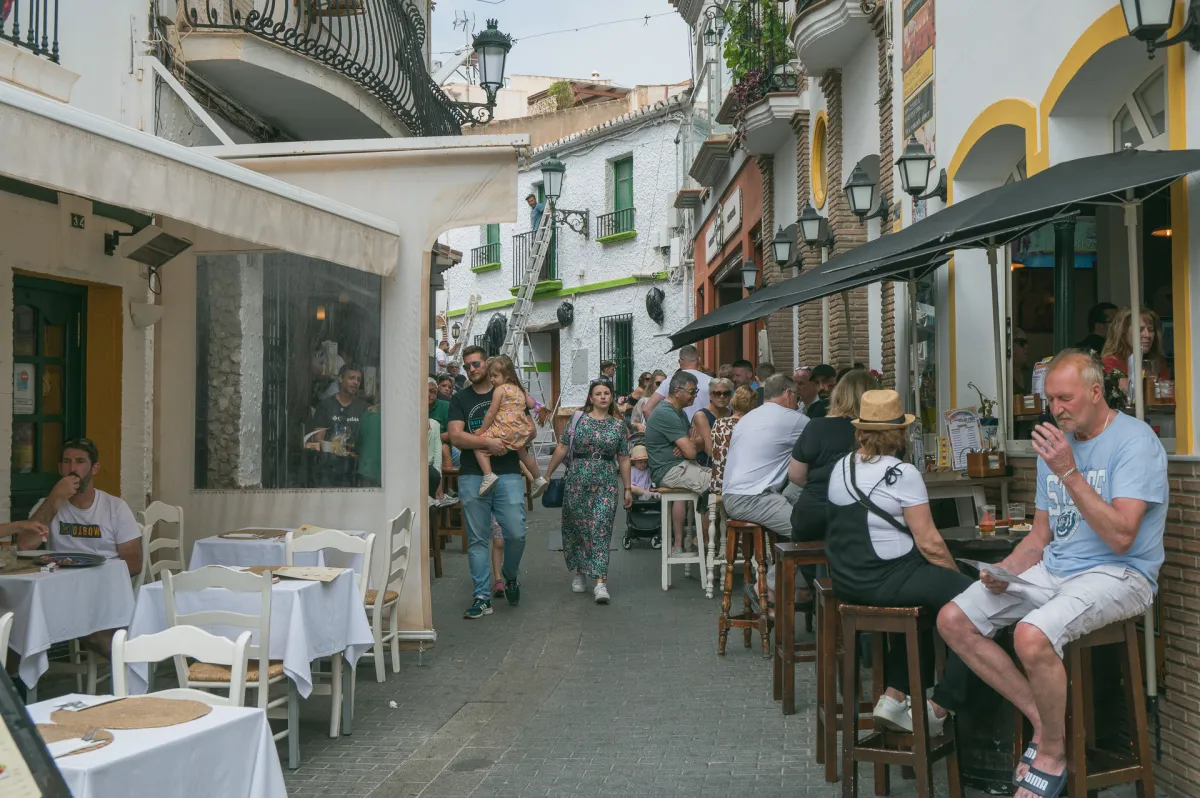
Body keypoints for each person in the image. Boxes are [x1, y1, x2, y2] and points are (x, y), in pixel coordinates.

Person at [938, 351, 1165, 797]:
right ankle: (1044, 721)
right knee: (953, 619)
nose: (1056, 408)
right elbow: (1040, 536)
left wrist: (1069, 472)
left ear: (1096, 393)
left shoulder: (1135, 442)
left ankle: (1053, 754)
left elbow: (1121, 537)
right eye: (1050, 399)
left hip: (1122, 574)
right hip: (1057, 569)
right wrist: (1004, 570)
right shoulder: (1054, 446)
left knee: (1030, 635)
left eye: (1065, 398)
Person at [825, 391, 974, 739]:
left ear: (861, 430)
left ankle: (894, 695)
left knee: (925, 608)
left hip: (848, 580)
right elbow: (930, 543)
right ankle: (940, 706)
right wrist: (954, 578)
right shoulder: (901, 473)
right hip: (887, 579)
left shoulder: (840, 466)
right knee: (980, 601)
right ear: (900, 434)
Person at [21, 439, 143, 659]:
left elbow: (134, 563)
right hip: (59, 591)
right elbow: (24, 545)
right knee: (19, 623)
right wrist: (55, 498)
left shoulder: (115, 507)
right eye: (67, 462)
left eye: (80, 461)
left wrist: (94, 577)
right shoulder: (48, 505)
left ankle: (133, 666)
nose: (72, 468)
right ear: (60, 468)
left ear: (94, 468)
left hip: (101, 591)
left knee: (93, 634)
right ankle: (19, 688)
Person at [448, 346, 530, 619]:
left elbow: (527, 426)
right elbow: (456, 437)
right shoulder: (460, 398)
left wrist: (524, 434)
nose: (472, 369)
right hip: (473, 474)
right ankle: (482, 596)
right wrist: (487, 442)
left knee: (516, 532)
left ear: (488, 364)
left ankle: (509, 575)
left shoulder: (510, 391)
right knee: (477, 539)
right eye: (467, 366)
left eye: (476, 364)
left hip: (507, 472)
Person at [722, 375, 809, 606]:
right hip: (753, 498)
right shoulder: (793, 419)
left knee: (801, 504)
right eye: (796, 397)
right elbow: (821, 444)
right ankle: (769, 588)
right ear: (788, 394)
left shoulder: (749, 417)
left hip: (735, 495)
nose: (798, 403)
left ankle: (795, 586)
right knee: (808, 530)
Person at [546, 380, 633, 604]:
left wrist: (628, 488)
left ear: (611, 397)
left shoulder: (617, 426)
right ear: (591, 398)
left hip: (606, 481)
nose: (603, 397)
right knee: (577, 527)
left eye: (607, 393)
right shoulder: (578, 419)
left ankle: (600, 583)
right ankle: (580, 572)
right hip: (577, 479)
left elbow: (623, 457)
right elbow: (563, 447)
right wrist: (547, 474)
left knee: (601, 528)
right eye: (598, 393)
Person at [789, 369, 876, 585]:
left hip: (814, 514)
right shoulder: (877, 432)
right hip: (861, 516)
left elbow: (796, 475)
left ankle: (811, 589)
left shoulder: (817, 426)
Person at [645, 370, 711, 555]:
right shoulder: (667, 413)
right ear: (677, 391)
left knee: (722, 481)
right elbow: (691, 451)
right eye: (692, 391)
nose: (695, 395)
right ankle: (704, 538)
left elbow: (697, 442)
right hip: (670, 471)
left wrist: (689, 444)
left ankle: (705, 538)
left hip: (681, 466)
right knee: (720, 483)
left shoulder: (679, 412)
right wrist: (689, 445)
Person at [471, 355, 548, 498]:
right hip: (520, 430)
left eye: (494, 375)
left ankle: (488, 475)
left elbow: (491, 413)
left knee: (478, 444)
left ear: (506, 375)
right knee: (523, 454)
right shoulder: (519, 389)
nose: (492, 379)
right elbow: (532, 404)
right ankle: (538, 478)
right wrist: (541, 407)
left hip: (505, 429)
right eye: (490, 376)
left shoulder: (500, 390)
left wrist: (482, 430)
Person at [1101, 305, 1170, 389]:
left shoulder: (1158, 363)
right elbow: (1129, 396)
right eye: (1140, 330)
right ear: (1123, 332)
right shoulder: (1110, 363)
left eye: (1151, 329)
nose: (1147, 335)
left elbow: (1167, 394)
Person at [642, 345, 711, 422]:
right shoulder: (711, 381)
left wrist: (658, 430)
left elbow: (647, 409)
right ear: (699, 360)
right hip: (706, 431)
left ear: (681, 361)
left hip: (676, 431)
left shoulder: (670, 381)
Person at [690, 377, 733, 468]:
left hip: (728, 462)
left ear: (730, 396)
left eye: (726, 393)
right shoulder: (701, 415)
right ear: (710, 395)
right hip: (707, 465)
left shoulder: (731, 413)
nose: (722, 396)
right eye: (717, 393)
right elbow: (710, 450)